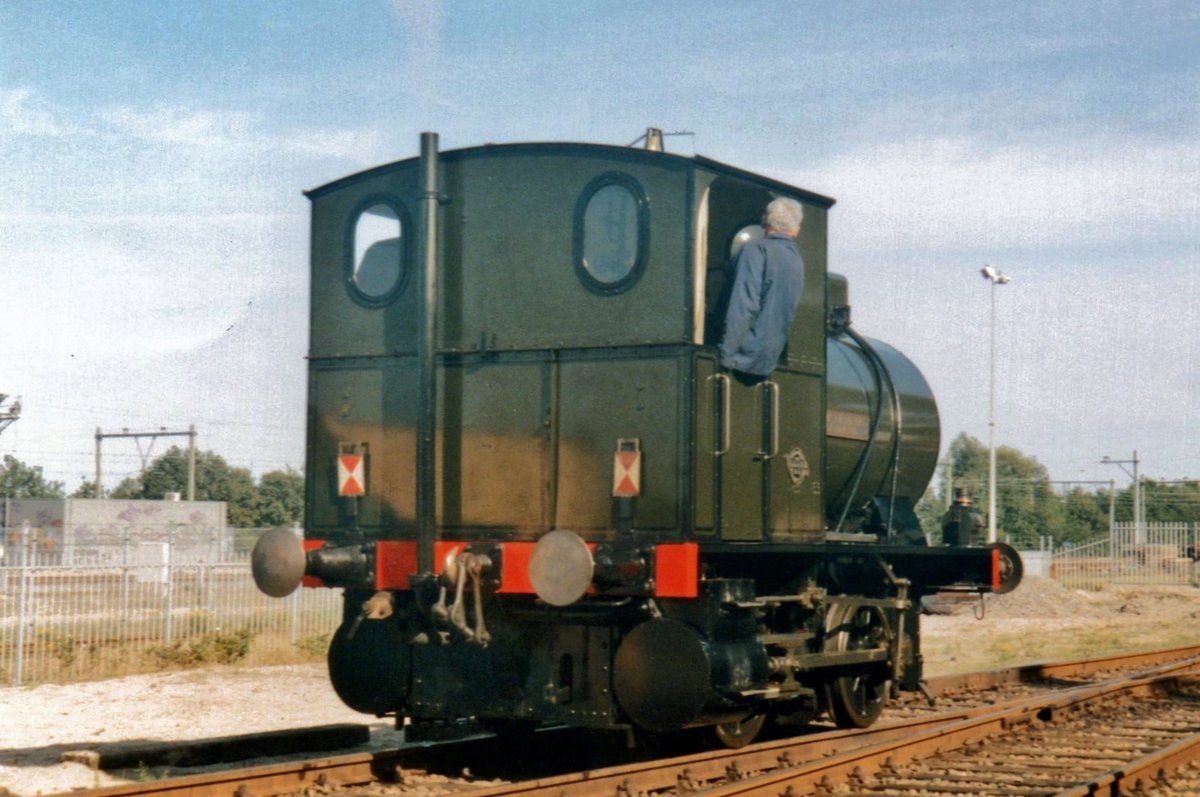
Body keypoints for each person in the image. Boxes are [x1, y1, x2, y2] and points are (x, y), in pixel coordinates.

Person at [718, 197, 805, 385]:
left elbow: (744, 305)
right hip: (767, 360)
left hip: (741, 359)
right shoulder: (795, 259)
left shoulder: (755, 250)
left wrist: (726, 356)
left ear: (765, 220)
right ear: (795, 229)